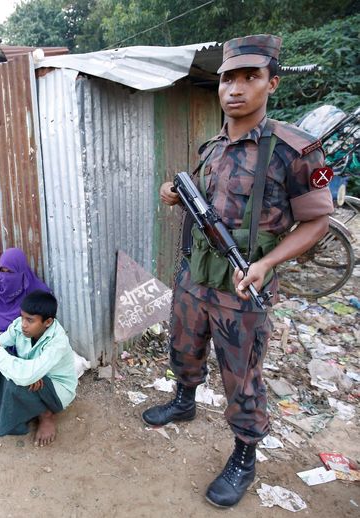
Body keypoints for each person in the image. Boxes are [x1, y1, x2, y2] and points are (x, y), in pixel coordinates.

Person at [142, 35, 333, 509]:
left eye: (250, 77)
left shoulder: (295, 149)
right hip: (195, 276)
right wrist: (172, 192)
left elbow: (318, 220)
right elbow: (198, 197)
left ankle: (244, 455)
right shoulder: (211, 148)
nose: (236, 88)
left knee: (241, 375)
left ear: (272, 83)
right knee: (184, 347)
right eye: (229, 77)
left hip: (244, 285)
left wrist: (267, 264)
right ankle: (184, 401)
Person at [0, 290, 77, 447]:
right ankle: (19, 399)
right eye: (22, 316)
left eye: (30, 320)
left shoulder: (58, 342)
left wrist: (23, 370)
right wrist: (26, 370)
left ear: (48, 322)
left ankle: (46, 415)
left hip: (57, 388)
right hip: (33, 374)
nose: (23, 324)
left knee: (15, 381)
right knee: (0, 364)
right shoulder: (19, 325)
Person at [0, 248, 51, 379]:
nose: (5, 276)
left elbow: (42, 325)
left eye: (11, 272)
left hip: (24, 336)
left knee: (25, 351)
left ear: (21, 271)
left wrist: (16, 336)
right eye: (2, 271)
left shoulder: (37, 292)